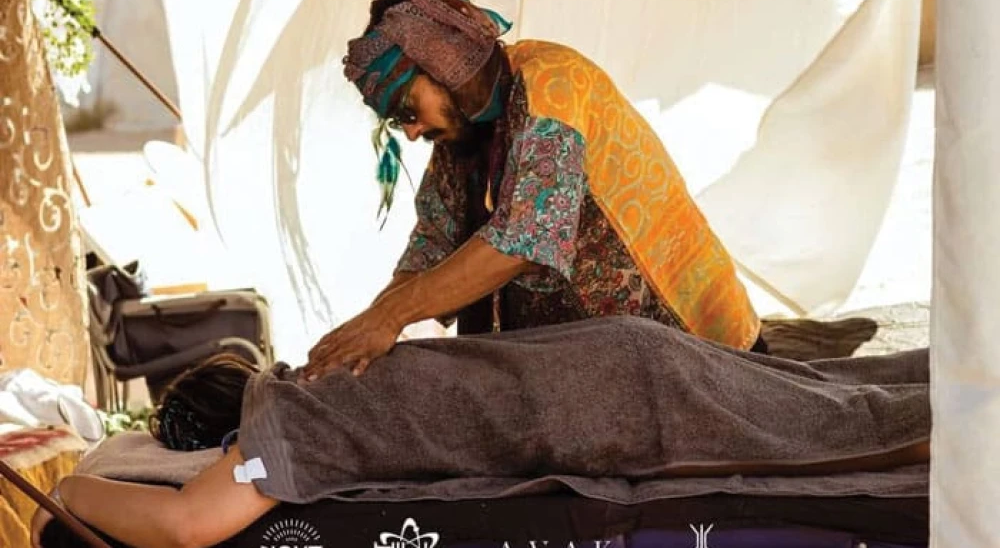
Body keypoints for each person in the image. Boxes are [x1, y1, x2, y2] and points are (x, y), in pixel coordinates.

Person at [32, 319, 930, 548]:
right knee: (838, 400)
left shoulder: (290, 422)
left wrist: (75, 488)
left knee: (847, 435)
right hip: (611, 369)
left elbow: (191, 524)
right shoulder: (315, 387)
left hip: (615, 399)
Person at [305, 0, 764, 380]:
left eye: (407, 109)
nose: (410, 132)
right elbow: (428, 250)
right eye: (395, 122)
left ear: (444, 62)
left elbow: (526, 238)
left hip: (706, 354)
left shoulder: (554, 82)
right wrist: (358, 335)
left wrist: (390, 317)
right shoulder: (459, 144)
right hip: (618, 372)